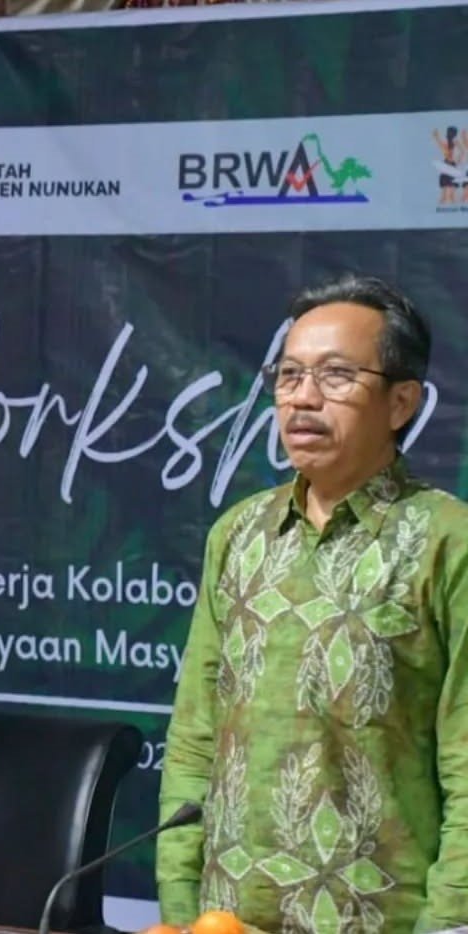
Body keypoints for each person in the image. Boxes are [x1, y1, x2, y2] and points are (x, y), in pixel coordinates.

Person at [157, 275, 468, 932]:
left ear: (402, 401)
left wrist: (448, 924)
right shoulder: (238, 534)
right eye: (290, 374)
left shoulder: (448, 541)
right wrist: (181, 907)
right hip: (225, 919)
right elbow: (194, 738)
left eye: (336, 376)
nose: (302, 398)